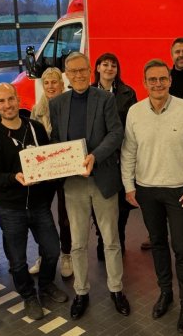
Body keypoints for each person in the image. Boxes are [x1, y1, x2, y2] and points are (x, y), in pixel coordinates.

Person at [121, 59, 183, 333]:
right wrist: (129, 186)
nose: (158, 84)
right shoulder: (135, 112)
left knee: (182, 249)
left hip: (181, 190)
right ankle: (166, 294)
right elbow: (128, 152)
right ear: (145, 82)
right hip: (147, 190)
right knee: (158, 244)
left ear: (170, 80)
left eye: (162, 79)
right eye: (152, 80)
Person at [49, 52, 130, 320]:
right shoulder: (57, 103)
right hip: (73, 183)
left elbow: (116, 133)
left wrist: (95, 157)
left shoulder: (105, 99)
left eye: (83, 70)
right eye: (73, 71)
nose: (79, 75)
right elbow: (58, 140)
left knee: (111, 239)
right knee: (78, 242)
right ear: (67, 74)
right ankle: (81, 291)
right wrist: (60, 162)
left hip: (102, 179)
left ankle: (116, 289)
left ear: (90, 71)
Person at [0, 83, 69, 320]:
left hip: (40, 205)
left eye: (11, 99)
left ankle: (47, 285)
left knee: (52, 250)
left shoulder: (36, 128)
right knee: (17, 260)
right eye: (1, 101)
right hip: (12, 209)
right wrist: (15, 178)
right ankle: (29, 296)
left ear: (18, 100)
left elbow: (49, 159)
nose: (7, 105)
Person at [92, 52, 138, 258]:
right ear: (98, 68)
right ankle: (103, 239)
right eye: (105, 65)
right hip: (98, 158)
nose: (110, 68)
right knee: (100, 202)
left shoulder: (128, 93)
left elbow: (132, 127)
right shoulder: (89, 92)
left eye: (114, 65)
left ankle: (119, 238)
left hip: (120, 157)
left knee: (122, 203)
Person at [30, 67, 73, 279]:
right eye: (46, 83)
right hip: (44, 173)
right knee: (42, 216)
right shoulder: (35, 111)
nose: (50, 86)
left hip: (65, 171)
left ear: (62, 84)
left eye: (54, 82)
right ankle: (43, 255)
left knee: (65, 217)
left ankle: (66, 255)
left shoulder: (70, 107)